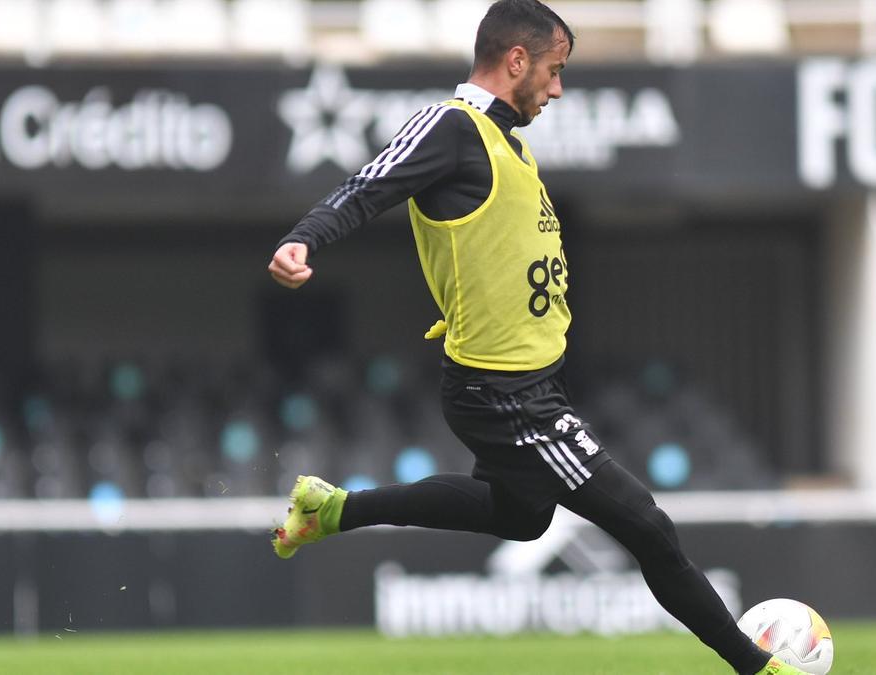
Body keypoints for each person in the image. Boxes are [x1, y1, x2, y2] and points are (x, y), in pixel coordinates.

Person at [267, 2, 791, 673]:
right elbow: (367, 186)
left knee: (521, 518)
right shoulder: (452, 128)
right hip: (504, 395)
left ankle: (333, 508)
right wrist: (303, 238)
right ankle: (758, 666)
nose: (558, 87)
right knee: (647, 526)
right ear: (516, 60)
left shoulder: (507, 144)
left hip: (531, 384)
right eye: (554, 69)